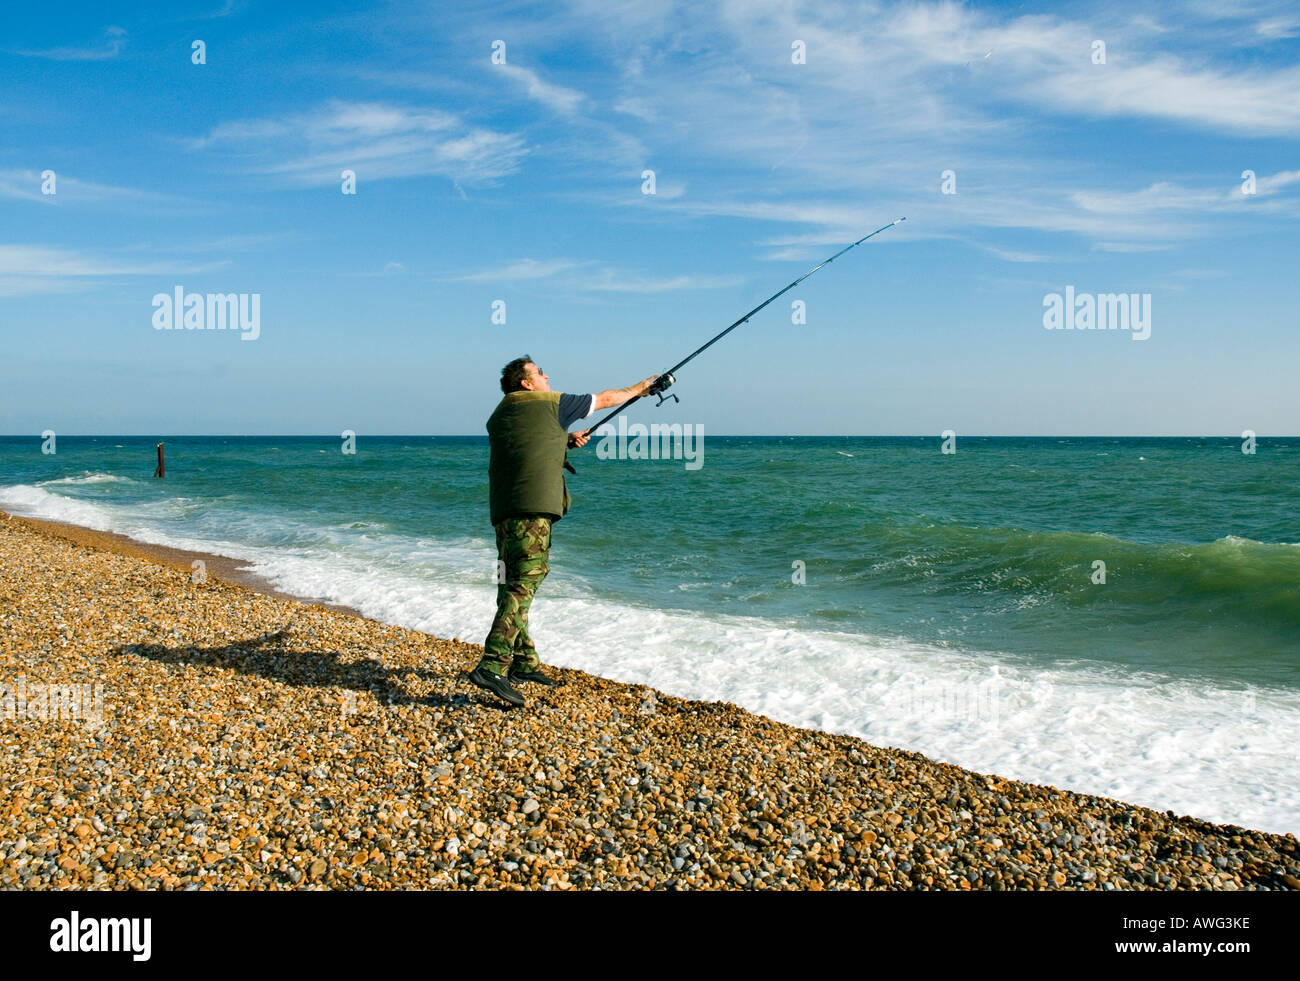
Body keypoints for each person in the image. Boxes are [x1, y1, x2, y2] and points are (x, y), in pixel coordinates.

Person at [469, 355, 658, 707]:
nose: (547, 377)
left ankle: (523, 663)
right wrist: (641, 389)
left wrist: (563, 440)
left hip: (504, 511)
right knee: (525, 582)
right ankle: (492, 665)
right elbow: (605, 399)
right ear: (527, 383)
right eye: (540, 373)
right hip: (532, 510)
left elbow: (525, 445)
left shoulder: (499, 414)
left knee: (510, 583)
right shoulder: (551, 403)